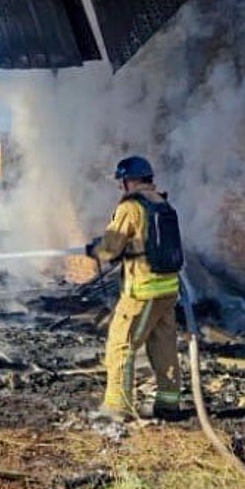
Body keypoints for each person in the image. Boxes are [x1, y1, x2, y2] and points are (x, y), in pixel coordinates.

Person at [84, 155, 183, 423]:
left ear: (130, 180)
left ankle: (118, 407)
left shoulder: (132, 207)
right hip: (168, 289)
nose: (121, 187)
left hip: (142, 291)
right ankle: (169, 404)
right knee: (164, 347)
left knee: (120, 345)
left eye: (122, 181)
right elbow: (144, 242)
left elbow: (109, 248)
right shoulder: (162, 203)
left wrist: (94, 249)